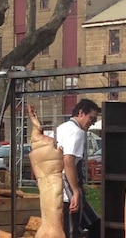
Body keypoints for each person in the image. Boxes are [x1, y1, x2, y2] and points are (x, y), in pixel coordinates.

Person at [54, 98, 100, 238]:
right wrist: (75, 191)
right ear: (81, 113)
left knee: (95, 224)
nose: (92, 123)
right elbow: (68, 160)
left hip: (58, 183)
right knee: (71, 231)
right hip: (68, 185)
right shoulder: (77, 132)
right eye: (91, 118)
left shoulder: (62, 127)